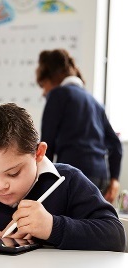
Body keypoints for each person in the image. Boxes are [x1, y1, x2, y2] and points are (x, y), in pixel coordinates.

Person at [0, 103, 125, 252]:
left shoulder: (68, 182)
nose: (0, 186)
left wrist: (52, 227)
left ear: (39, 153)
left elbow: (115, 237)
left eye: (13, 173)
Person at [36, 48, 122, 204]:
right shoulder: (95, 101)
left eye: (43, 85)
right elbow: (115, 145)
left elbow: (47, 145)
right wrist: (114, 179)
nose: (43, 92)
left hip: (75, 175)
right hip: (101, 176)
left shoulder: (58, 95)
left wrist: (40, 185)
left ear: (52, 77)